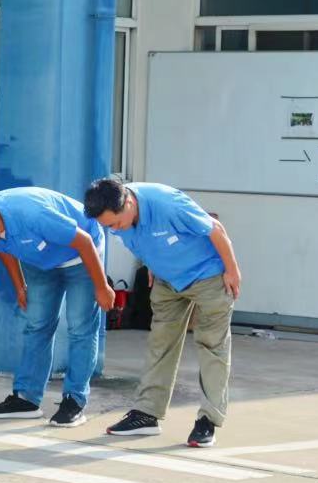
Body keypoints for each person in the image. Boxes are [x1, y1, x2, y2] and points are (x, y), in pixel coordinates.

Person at [85, 178, 242, 448]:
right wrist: (151, 264)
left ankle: (208, 420)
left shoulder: (168, 204)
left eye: (116, 224)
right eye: (108, 226)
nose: (114, 230)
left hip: (209, 276)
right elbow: (144, 241)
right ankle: (147, 413)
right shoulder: (117, 217)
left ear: (129, 203)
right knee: (160, 344)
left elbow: (216, 229)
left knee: (211, 345)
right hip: (167, 281)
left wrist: (232, 270)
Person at [0, 188, 114, 426]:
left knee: (80, 327)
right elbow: (4, 249)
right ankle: (26, 398)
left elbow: (84, 241)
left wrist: (101, 286)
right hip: (41, 262)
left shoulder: (35, 215)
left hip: (80, 257)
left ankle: (74, 401)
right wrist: (19, 285)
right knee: (37, 324)